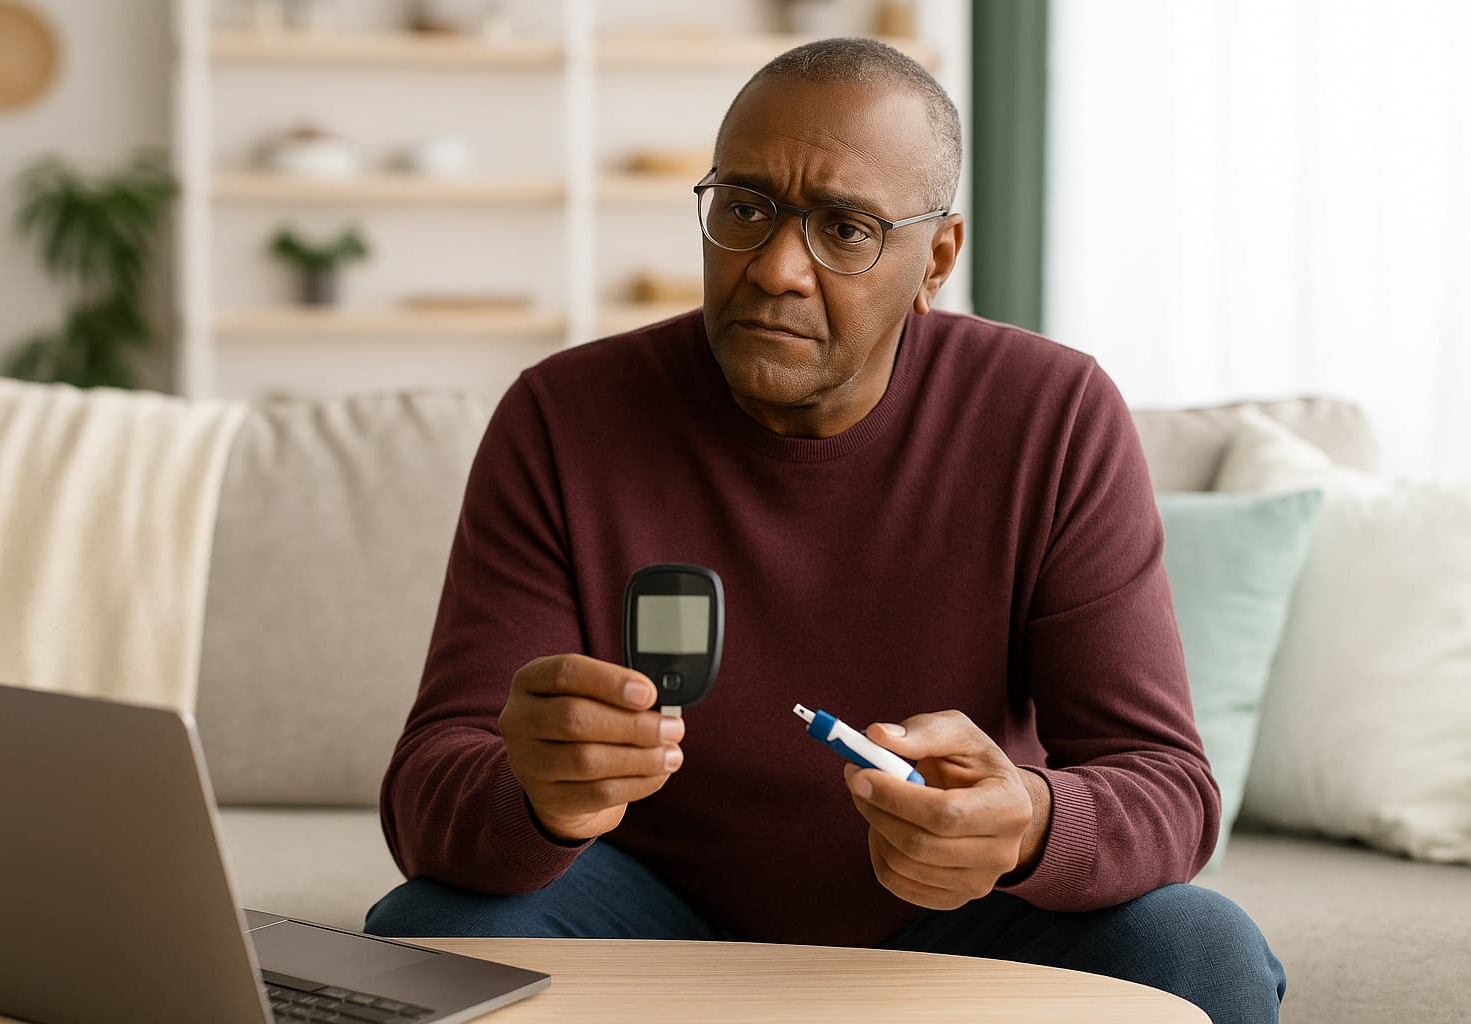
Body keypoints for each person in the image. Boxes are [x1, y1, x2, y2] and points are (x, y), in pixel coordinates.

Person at [365, 37, 1285, 1023]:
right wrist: (537, 797)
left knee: (1200, 946)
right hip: (644, 916)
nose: (775, 270)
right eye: (744, 208)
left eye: (846, 229)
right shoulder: (562, 417)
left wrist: (1028, 821)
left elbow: (1167, 785)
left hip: (961, 919)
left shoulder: (1052, 415)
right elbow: (428, 789)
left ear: (936, 260)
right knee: (428, 936)